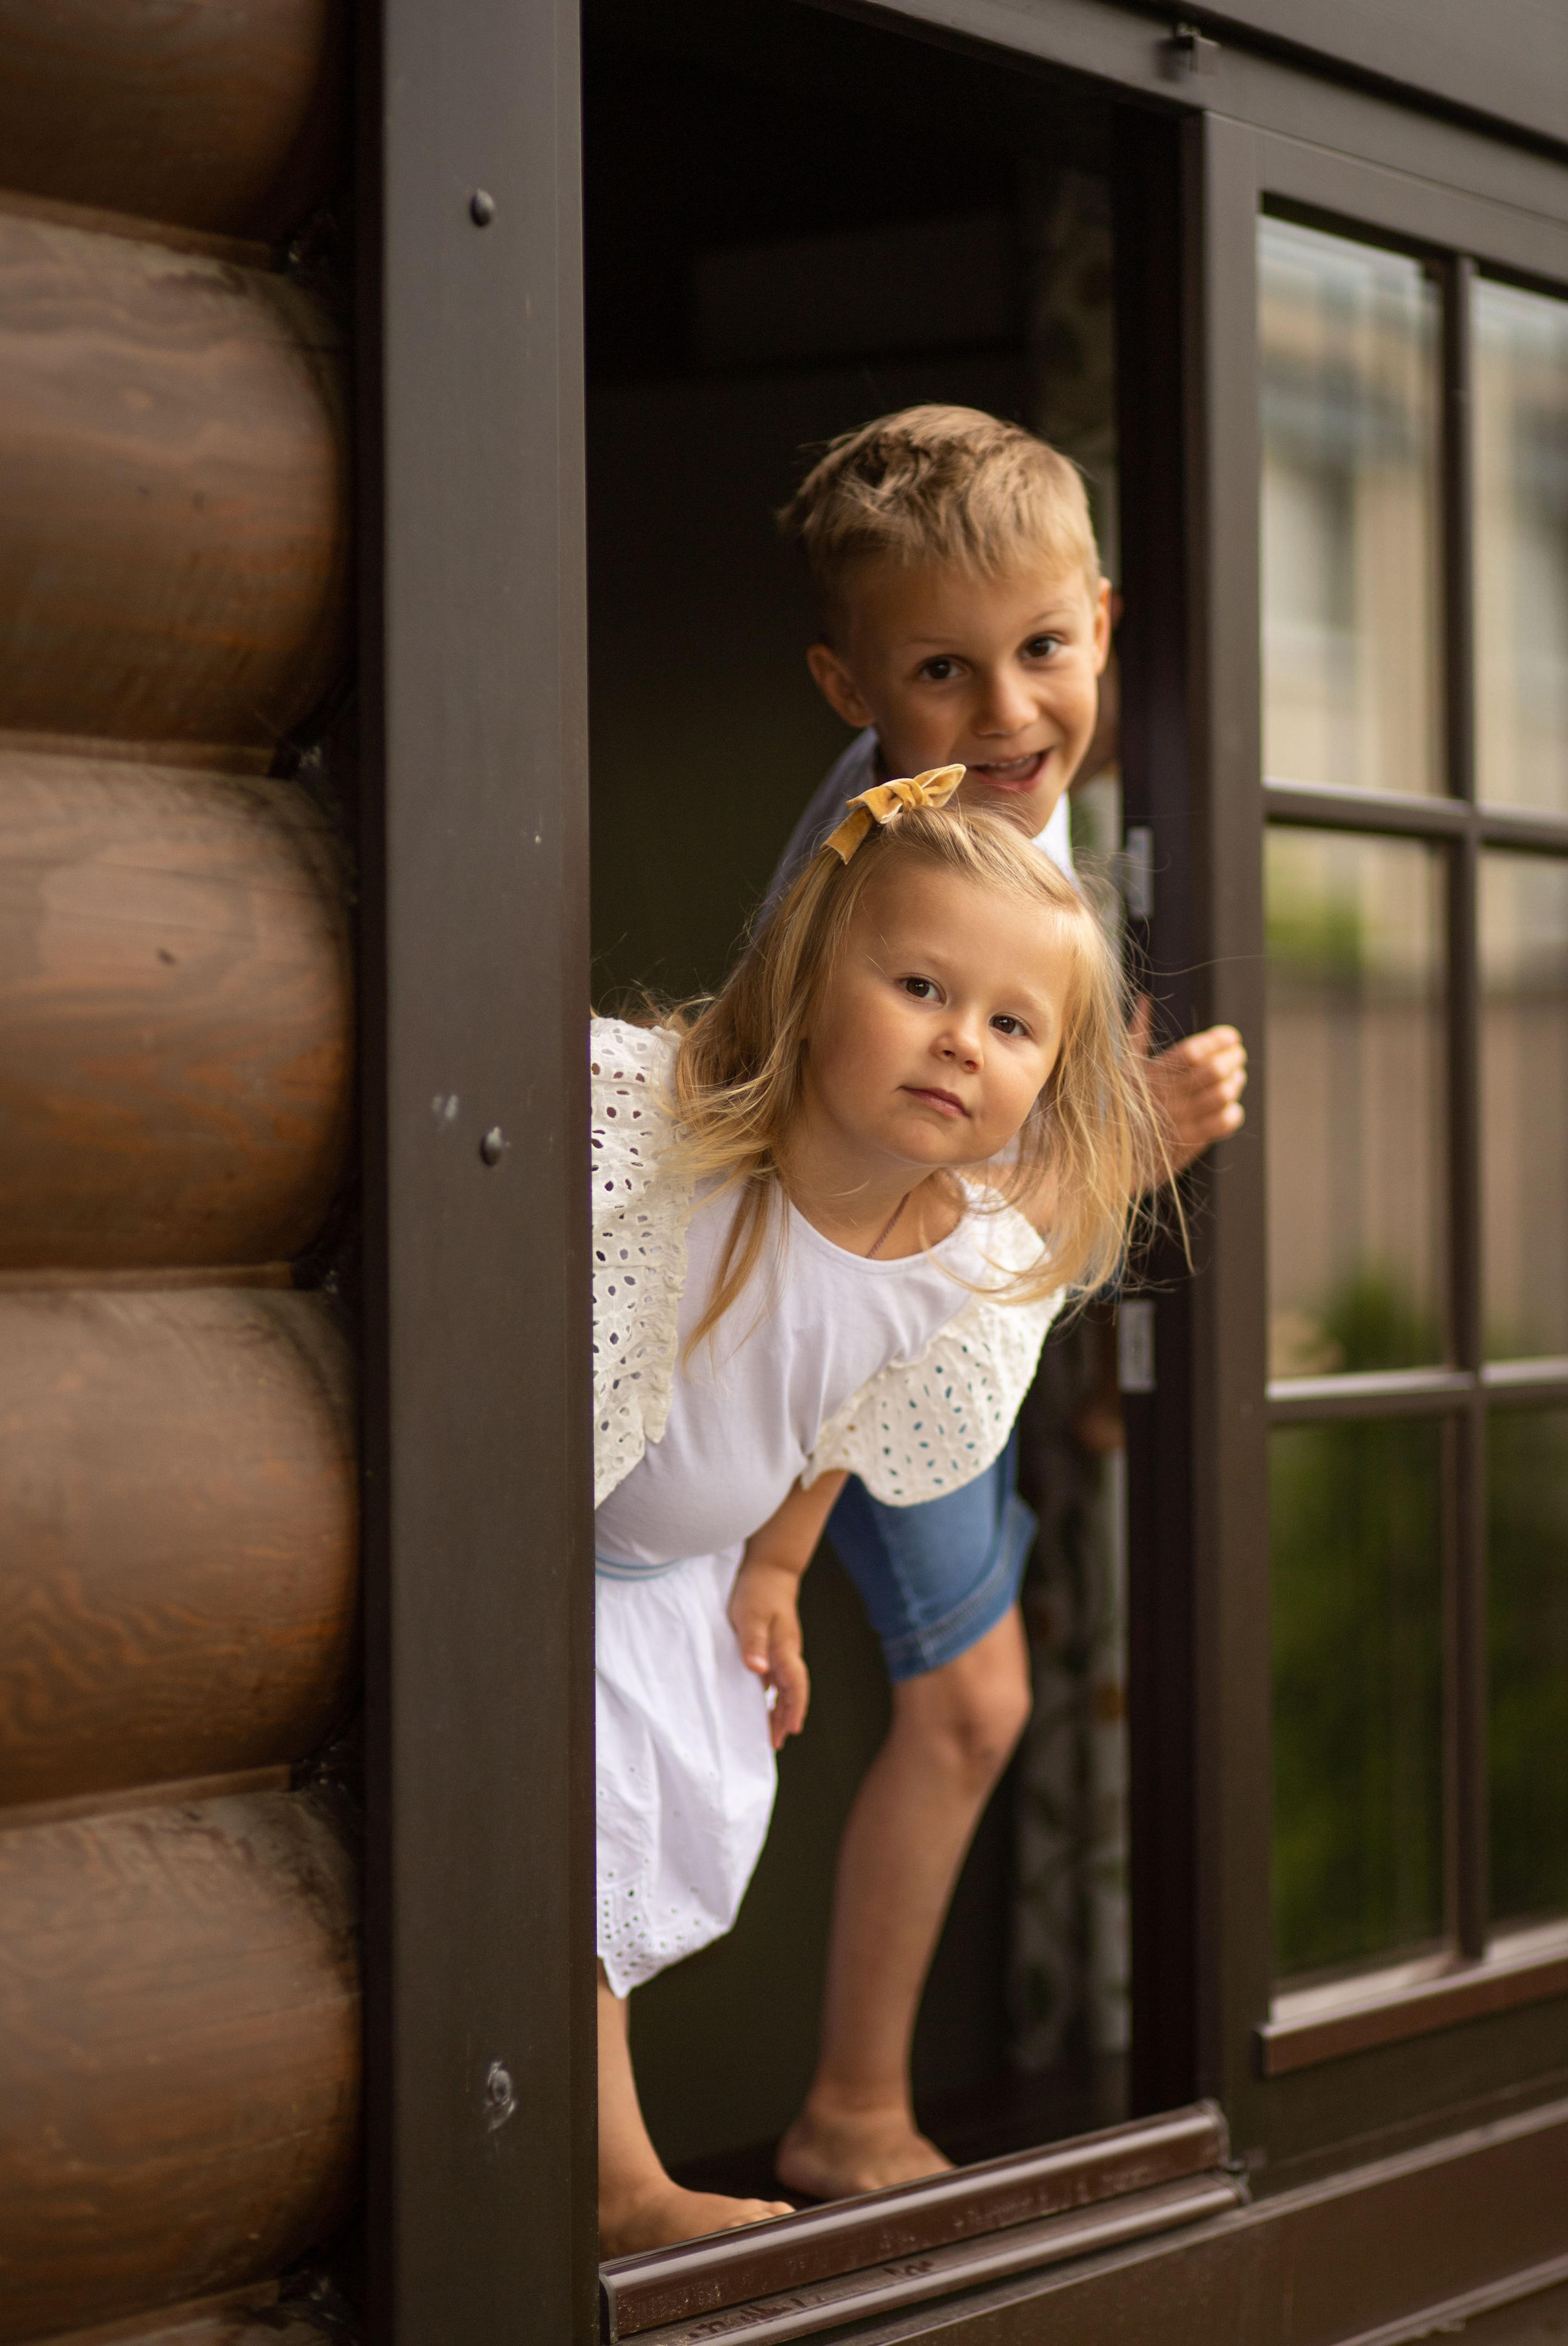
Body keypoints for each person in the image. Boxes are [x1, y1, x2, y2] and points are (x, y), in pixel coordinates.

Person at [757, 405, 1248, 2201]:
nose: (1013, 712)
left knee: (975, 1703)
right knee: (962, 1706)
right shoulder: (903, 856)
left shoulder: (1015, 827)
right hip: (853, 1335)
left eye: (1044, 650)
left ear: (1104, 623)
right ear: (852, 684)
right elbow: (910, 1169)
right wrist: (1127, 1161)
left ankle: (852, 2102)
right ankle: (852, 2108)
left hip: (935, 1329)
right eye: (946, 672)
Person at [593, 779, 1168, 2252]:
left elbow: (839, 1426)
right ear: (811, 970)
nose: (957, 1038)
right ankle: (616, 2176)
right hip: (560, 1565)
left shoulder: (949, 1262)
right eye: (918, 985)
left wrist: (773, 1568)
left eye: (1009, 1023)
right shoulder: (688, 1137)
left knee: (648, 1839)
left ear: (1048, 1072)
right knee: (580, 1838)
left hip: (679, 1573)